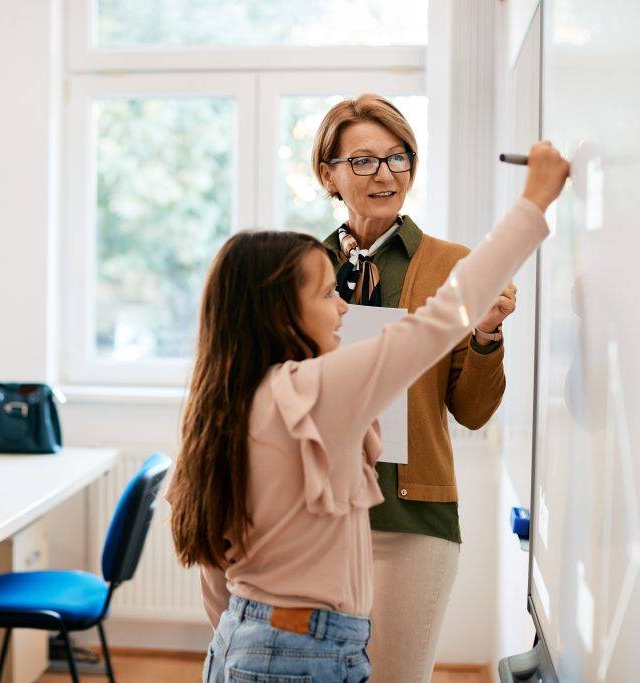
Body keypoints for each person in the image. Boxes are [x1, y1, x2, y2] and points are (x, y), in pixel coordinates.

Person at [166, 142, 568, 682]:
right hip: (299, 654)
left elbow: (218, 583)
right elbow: (441, 320)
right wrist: (536, 199)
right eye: (328, 295)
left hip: (246, 641)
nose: (343, 309)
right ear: (279, 311)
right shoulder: (314, 389)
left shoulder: (228, 401)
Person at [313, 93, 516, 681]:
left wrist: (485, 335)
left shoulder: (458, 267)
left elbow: (473, 412)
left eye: (398, 157)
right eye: (363, 161)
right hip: (316, 515)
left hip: (412, 518)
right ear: (329, 174)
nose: (385, 174)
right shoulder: (303, 268)